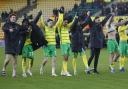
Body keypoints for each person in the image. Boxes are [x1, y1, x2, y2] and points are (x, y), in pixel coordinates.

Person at [39, 10, 63, 76]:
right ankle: (41, 67)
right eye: (49, 23)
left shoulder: (54, 27)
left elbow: (59, 21)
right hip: (46, 46)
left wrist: (61, 14)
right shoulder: (45, 28)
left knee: (54, 60)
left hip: (53, 46)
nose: (51, 24)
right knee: (46, 60)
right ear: (47, 23)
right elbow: (42, 22)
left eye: (52, 23)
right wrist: (41, 15)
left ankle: (53, 73)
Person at [1, 13, 21, 77]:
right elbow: (3, 28)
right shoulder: (6, 24)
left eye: (14, 17)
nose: (13, 18)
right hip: (8, 44)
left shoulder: (18, 25)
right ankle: (3, 69)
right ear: (10, 18)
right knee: (8, 59)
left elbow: (22, 30)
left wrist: (27, 30)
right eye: (12, 17)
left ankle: (14, 74)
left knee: (15, 60)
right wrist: (8, 30)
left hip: (16, 45)